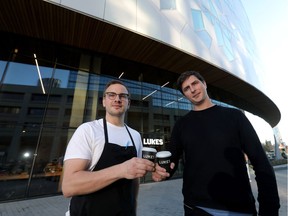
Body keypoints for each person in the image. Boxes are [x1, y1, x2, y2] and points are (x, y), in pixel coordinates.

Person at [152, 71, 280, 216]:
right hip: (196, 208)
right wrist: (163, 172)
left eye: (194, 83)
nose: (192, 89)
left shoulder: (234, 116)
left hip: (238, 209)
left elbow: (261, 163)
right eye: (186, 88)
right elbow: (172, 160)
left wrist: (269, 209)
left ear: (204, 83)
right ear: (185, 95)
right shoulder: (181, 125)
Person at [62, 80, 155, 216]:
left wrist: (133, 208)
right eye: (111, 95)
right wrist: (122, 169)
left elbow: (135, 180)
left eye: (123, 96)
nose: (117, 99)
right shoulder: (88, 130)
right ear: (104, 101)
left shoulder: (135, 135)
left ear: (128, 103)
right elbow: (69, 186)